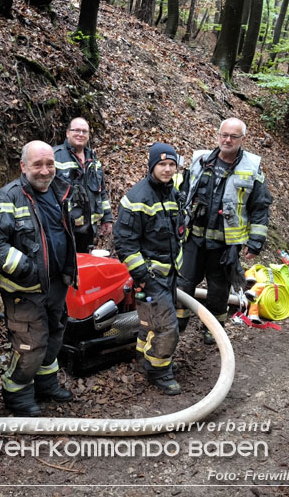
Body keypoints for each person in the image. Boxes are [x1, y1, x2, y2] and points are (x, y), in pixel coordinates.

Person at [0, 141, 77, 416]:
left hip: (57, 284)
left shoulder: (61, 190)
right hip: (24, 289)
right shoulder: (7, 197)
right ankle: (17, 394)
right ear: (23, 166)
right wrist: (26, 268)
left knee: (54, 336)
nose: (45, 170)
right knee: (31, 344)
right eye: (37, 164)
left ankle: (45, 384)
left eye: (50, 164)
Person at [177, 118, 273, 344]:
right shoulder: (200, 161)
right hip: (194, 238)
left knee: (219, 289)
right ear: (218, 135)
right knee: (183, 282)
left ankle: (213, 329)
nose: (227, 140)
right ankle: (179, 321)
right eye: (224, 135)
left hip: (225, 243)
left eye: (233, 136)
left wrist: (255, 241)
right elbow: (183, 193)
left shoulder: (251, 168)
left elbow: (260, 206)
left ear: (243, 139)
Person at [113, 142, 184, 396]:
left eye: (171, 165)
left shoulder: (172, 193)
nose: (167, 169)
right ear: (151, 166)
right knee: (167, 327)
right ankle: (159, 370)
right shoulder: (137, 197)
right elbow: (124, 242)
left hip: (168, 276)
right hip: (150, 280)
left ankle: (145, 357)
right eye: (162, 164)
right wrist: (143, 277)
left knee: (148, 322)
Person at [53, 117, 113, 252]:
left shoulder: (93, 160)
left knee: (84, 267)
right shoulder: (54, 157)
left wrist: (107, 218)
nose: (81, 134)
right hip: (63, 229)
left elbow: (101, 190)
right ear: (68, 133)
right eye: (77, 130)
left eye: (84, 131)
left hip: (88, 230)